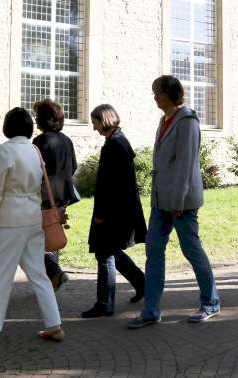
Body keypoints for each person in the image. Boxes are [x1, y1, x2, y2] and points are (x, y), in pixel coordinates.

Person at [127, 75, 221, 329]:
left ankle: (211, 302)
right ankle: (151, 311)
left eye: (157, 92)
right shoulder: (164, 119)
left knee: (192, 250)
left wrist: (178, 201)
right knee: (153, 251)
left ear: (170, 94)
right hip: (160, 200)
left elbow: (185, 165)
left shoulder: (187, 121)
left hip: (181, 202)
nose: (154, 96)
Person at [0, 107, 64, 347]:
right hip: (32, 219)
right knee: (39, 274)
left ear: (8, 126)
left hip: (8, 221)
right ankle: (55, 325)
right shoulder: (33, 150)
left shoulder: (4, 151)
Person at [81, 104, 146, 318]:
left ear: (104, 120)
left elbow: (111, 185)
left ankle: (105, 303)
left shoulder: (116, 144)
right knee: (112, 251)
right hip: (119, 210)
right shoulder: (117, 141)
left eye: (95, 122)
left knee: (105, 253)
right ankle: (141, 283)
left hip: (113, 211)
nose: (94, 128)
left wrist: (101, 213)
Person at [32, 99, 78, 291]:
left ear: (43, 119)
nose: (35, 120)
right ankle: (53, 277)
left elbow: (35, 171)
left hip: (45, 195)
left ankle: (54, 273)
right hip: (63, 195)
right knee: (53, 233)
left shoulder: (39, 142)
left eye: (36, 116)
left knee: (35, 240)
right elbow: (74, 166)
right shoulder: (66, 140)